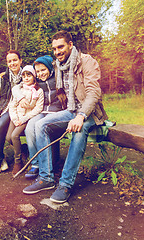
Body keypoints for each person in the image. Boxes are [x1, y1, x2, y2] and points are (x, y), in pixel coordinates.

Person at [23, 30, 108, 203]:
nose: (57, 51)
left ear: (70, 45)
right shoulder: (58, 66)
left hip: (89, 112)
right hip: (70, 110)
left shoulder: (87, 62)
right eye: (54, 49)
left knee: (79, 129)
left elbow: (93, 93)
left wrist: (81, 115)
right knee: (40, 125)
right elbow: (41, 75)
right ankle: (46, 178)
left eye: (60, 47)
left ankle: (65, 184)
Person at [21, 55, 63, 179]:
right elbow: (19, 86)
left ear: (50, 68)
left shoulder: (58, 79)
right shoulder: (36, 83)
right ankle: (36, 164)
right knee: (29, 128)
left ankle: (50, 164)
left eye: (43, 70)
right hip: (42, 111)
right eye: (38, 71)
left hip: (56, 112)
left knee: (42, 127)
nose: (41, 73)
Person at [0, 50, 23, 177]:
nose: (12, 63)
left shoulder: (26, 76)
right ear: (7, 63)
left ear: (20, 61)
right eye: (9, 61)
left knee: (0, 124)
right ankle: (1, 158)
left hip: (12, 110)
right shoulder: (2, 78)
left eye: (15, 60)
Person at [6, 65, 44, 176]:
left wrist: (24, 119)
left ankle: (18, 162)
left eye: (29, 75)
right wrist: (15, 119)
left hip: (27, 118)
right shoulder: (19, 90)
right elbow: (12, 106)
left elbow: (38, 108)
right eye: (24, 76)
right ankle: (23, 149)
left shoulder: (38, 91)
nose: (26, 78)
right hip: (16, 117)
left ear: (34, 76)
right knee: (8, 137)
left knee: (14, 136)